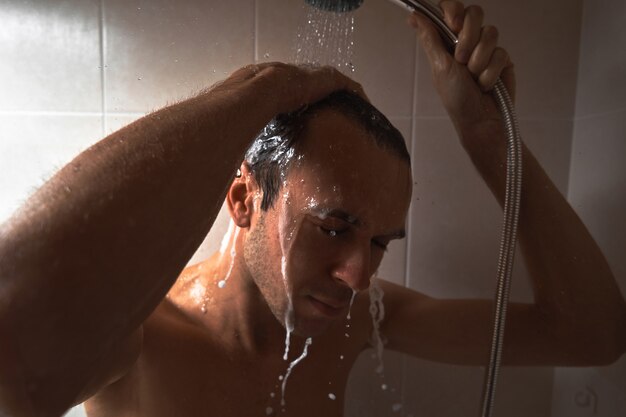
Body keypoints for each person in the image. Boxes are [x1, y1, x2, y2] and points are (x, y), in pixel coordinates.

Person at [0, 2, 624, 417]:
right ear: (244, 197)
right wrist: (259, 92)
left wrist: (489, 139)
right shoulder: (142, 336)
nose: (359, 275)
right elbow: (14, 325)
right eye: (333, 227)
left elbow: (591, 333)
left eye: (380, 242)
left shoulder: (357, 321)